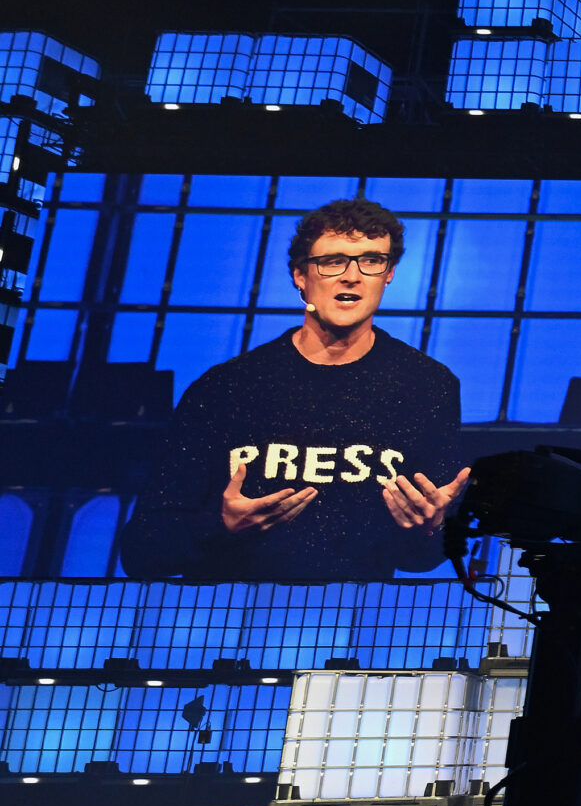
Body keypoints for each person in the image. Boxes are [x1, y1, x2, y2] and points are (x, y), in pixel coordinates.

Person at [122, 198, 470, 580]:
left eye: (371, 261)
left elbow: (419, 559)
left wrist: (432, 526)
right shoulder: (224, 388)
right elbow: (142, 550)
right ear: (300, 276)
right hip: (228, 610)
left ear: (388, 275)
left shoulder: (428, 387)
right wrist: (220, 525)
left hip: (352, 613)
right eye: (333, 261)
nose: (352, 276)